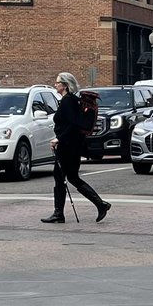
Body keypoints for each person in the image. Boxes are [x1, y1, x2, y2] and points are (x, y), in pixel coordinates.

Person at [41, 72, 111, 224]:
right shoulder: (70, 100)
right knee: (69, 177)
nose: (55, 84)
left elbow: (73, 123)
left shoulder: (68, 101)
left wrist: (58, 138)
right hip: (71, 146)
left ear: (65, 85)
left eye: (57, 82)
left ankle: (60, 213)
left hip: (68, 147)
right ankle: (98, 204)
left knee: (62, 178)